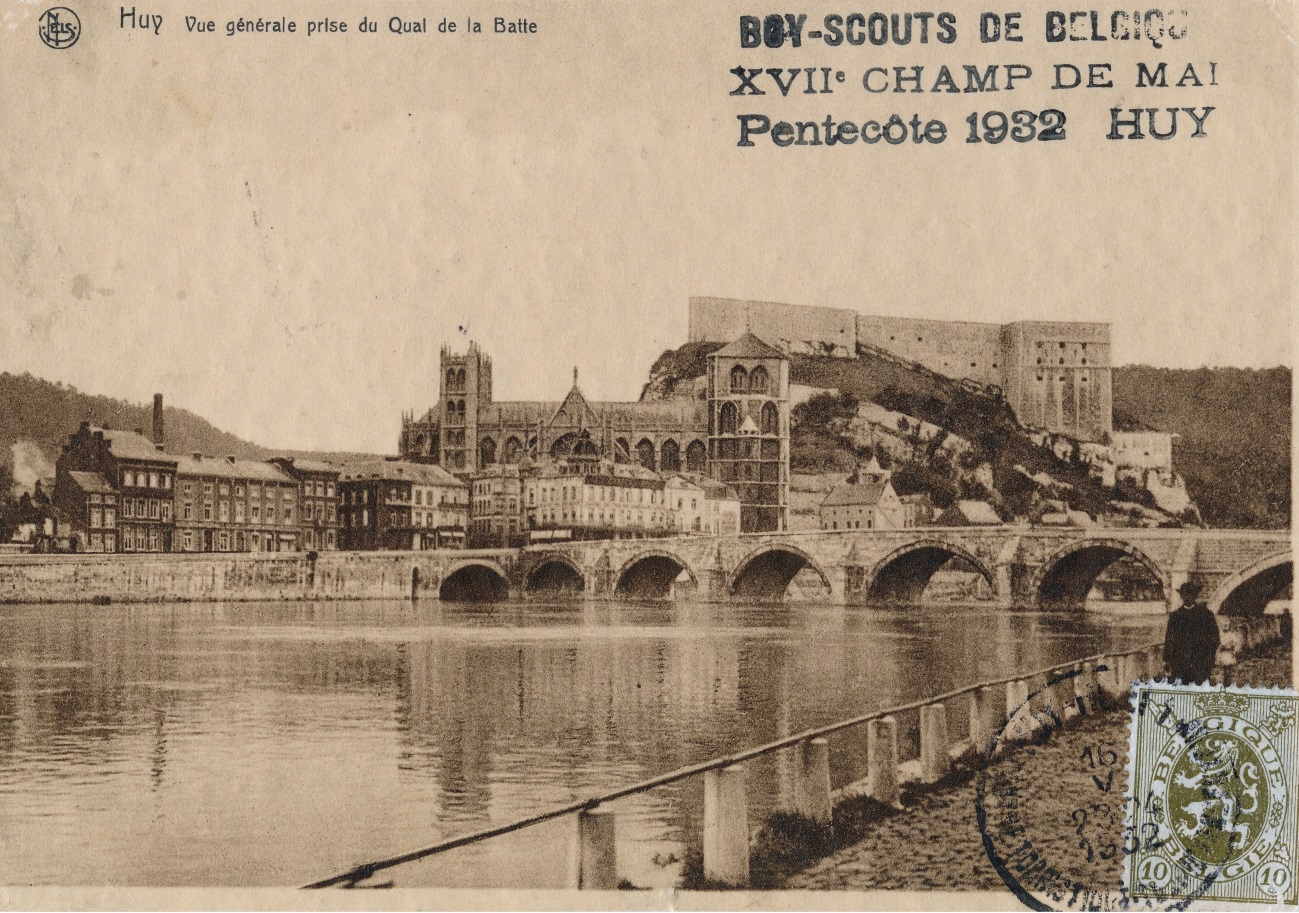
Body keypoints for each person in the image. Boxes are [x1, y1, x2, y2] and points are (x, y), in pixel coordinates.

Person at [1163, 581, 1220, 684]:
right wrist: (1166, 659)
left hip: (1201, 663)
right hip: (1180, 663)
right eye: (1185, 595)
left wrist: (1209, 657)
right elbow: (1169, 640)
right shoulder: (1174, 616)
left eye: (1191, 595)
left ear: (1195, 596)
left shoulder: (1206, 615)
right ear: (1181, 596)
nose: (1188, 598)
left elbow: (1215, 638)